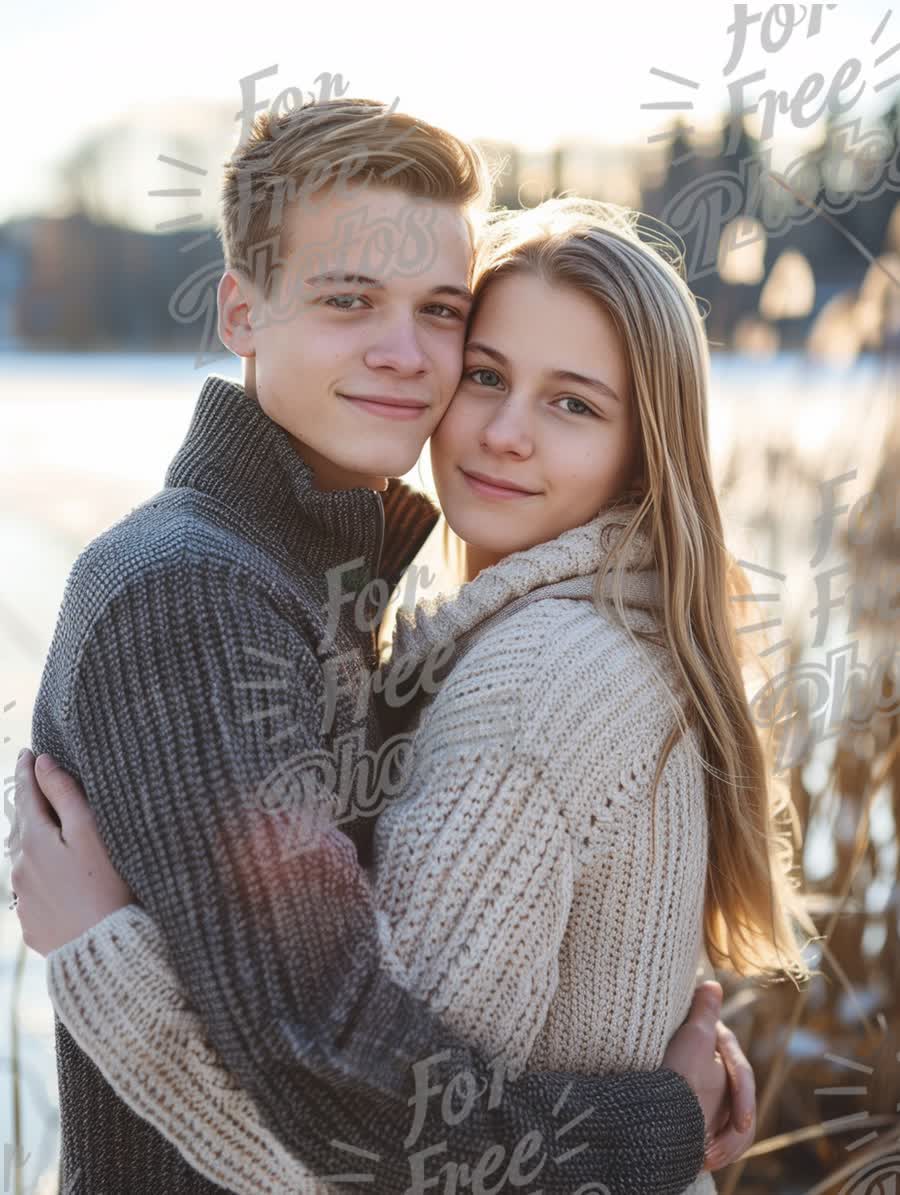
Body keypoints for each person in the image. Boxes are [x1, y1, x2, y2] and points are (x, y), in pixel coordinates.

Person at [10, 103, 760, 1195]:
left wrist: (99, 953)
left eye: (440, 311)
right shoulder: (197, 593)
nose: (405, 356)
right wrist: (654, 1126)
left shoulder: (363, 602)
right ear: (241, 310)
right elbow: (345, 1075)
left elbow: (353, 1100)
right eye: (349, 299)